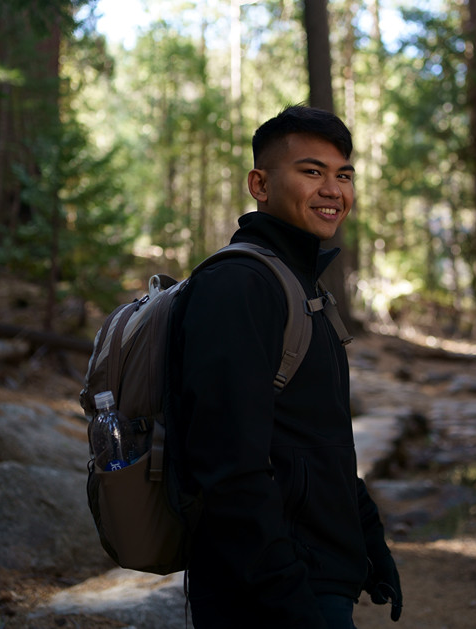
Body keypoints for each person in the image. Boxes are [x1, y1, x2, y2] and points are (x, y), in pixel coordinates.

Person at [166, 105, 402, 628]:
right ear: (260, 184)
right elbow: (228, 464)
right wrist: (286, 594)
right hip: (266, 594)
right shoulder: (239, 288)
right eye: (311, 171)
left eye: (343, 176)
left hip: (315, 578)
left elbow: (323, 438)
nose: (333, 190)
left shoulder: (302, 287)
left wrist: (369, 541)